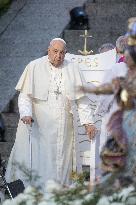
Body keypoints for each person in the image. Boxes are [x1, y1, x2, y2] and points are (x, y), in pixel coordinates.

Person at [5, 38, 96, 191]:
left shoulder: (73, 68)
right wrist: (26, 113)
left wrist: (88, 122)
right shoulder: (34, 66)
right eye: (55, 52)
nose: (58, 56)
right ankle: (37, 191)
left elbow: (82, 100)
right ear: (48, 50)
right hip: (39, 125)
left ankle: (58, 191)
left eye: (62, 53)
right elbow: (25, 95)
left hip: (64, 127)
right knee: (41, 159)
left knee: (61, 160)